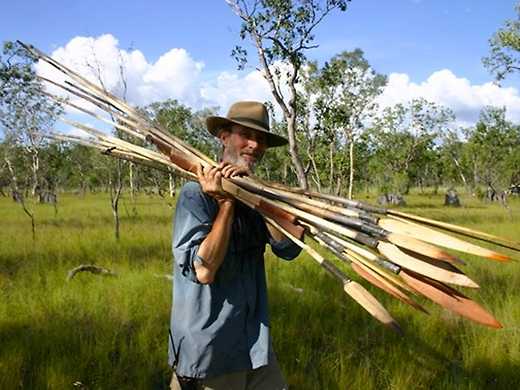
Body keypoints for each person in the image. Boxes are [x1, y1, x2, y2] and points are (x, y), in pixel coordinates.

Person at [169, 101, 302, 390]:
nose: (255, 145)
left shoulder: (258, 198)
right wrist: (226, 203)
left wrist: (260, 200)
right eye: (246, 135)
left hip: (255, 348)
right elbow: (203, 270)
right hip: (211, 353)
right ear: (224, 136)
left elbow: (289, 249)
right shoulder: (196, 195)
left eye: (262, 139)